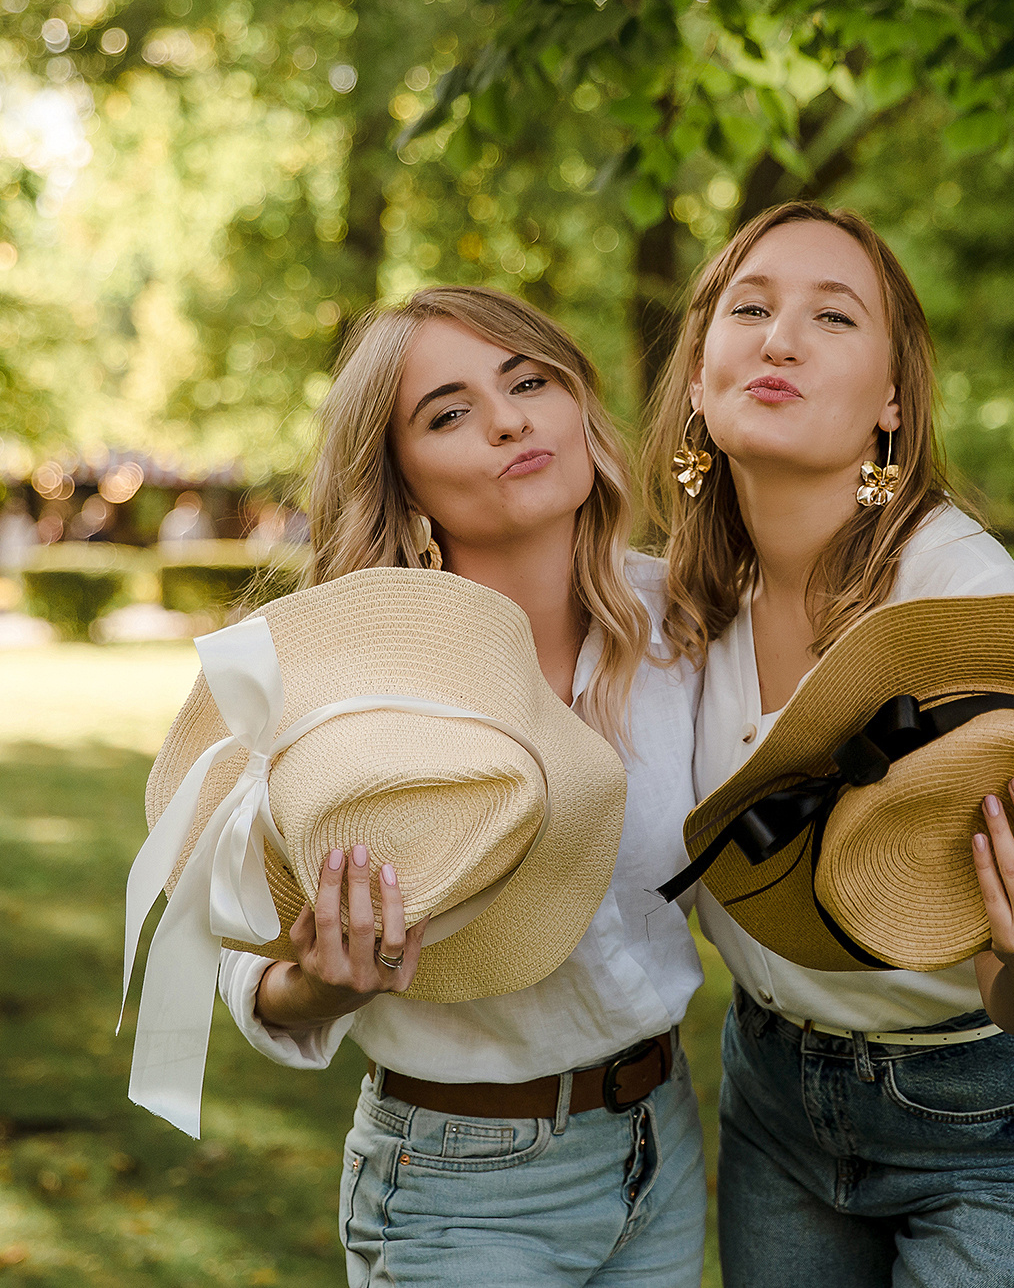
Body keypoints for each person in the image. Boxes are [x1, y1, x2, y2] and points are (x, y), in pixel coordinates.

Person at [644, 202, 1014, 1288]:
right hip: (771, 1096)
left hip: (982, 1111)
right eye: (751, 308)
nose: (779, 338)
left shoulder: (962, 601)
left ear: (892, 406)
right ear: (695, 375)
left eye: (832, 317)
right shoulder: (685, 601)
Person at [214, 286, 707, 1286]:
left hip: (663, 1145)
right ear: (399, 479)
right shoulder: (340, 683)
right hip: (460, 1186)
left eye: (528, 380)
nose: (507, 419)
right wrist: (314, 984)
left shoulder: (682, 624)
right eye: (447, 412)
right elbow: (231, 945)